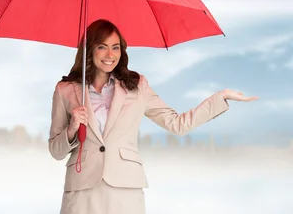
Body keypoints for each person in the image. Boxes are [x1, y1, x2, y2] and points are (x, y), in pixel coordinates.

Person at [48, 19, 258, 214]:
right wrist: (72, 128)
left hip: (125, 188)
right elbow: (56, 151)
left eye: (115, 47)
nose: (110, 54)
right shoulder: (65, 90)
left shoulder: (137, 85)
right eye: (102, 47)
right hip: (81, 189)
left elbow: (177, 124)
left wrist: (221, 97)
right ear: (89, 49)